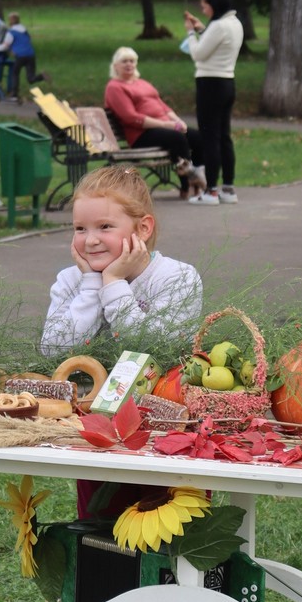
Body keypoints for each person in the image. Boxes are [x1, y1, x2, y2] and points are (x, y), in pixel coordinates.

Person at [41, 164, 203, 517]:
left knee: (171, 521)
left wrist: (114, 285)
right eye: (80, 229)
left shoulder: (177, 278)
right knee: (101, 526)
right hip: (95, 428)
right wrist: (91, 285)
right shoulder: (71, 280)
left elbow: (158, 349)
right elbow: (55, 349)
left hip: (165, 429)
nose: (90, 239)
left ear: (143, 228)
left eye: (105, 227)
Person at [104, 46, 205, 199]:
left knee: (197, 137)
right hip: (141, 134)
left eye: (132, 61)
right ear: (115, 65)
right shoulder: (114, 87)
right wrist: (166, 125)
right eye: (124, 61)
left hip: (163, 128)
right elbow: (131, 117)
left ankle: (198, 178)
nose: (129, 64)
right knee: (176, 138)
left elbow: (162, 105)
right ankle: (187, 184)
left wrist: (177, 121)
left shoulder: (142, 83)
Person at [183, 0, 244, 205]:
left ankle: (211, 191)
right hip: (227, 82)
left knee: (210, 137)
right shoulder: (234, 23)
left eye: (205, 6)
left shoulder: (218, 26)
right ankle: (228, 188)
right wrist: (202, 30)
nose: (203, 10)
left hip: (210, 84)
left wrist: (191, 33)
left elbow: (198, 54)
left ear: (214, 4)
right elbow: (217, 44)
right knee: (224, 136)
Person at [5, 12, 44, 101]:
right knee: (30, 78)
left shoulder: (11, 32)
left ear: (11, 21)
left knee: (15, 73)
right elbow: (28, 39)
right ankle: (41, 76)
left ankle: (14, 94)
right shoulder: (24, 30)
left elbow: (6, 45)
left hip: (20, 56)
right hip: (30, 55)